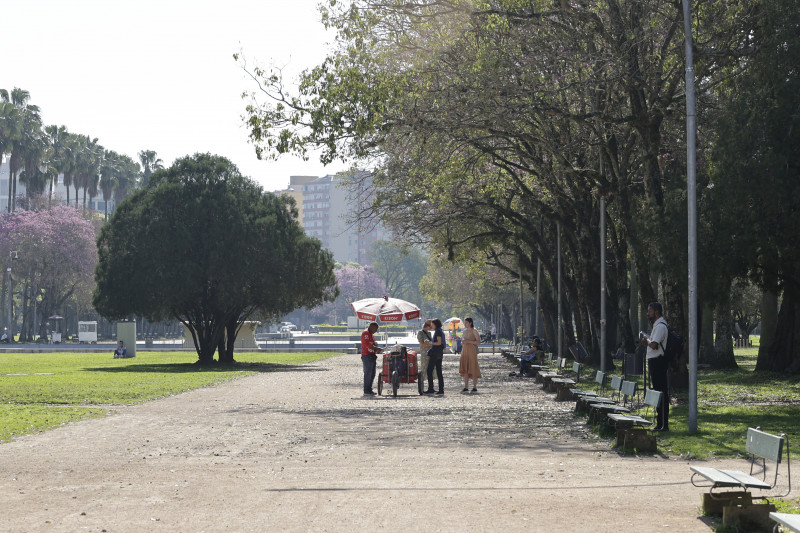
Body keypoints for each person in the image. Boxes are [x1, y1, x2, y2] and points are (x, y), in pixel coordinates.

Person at [641, 301, 670, 431]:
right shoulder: (656, 325)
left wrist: (646, 340)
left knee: (661, 392)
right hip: (655, 361)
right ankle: (660, 423)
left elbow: (654, 345)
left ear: (656, 312)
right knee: (659, 392)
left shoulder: (660, 327)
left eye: (650, 311)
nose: (648, 314)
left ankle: (663, 424)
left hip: (658, 362)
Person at [459, 317, 482, 393]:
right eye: (464, 323)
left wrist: (468, 341)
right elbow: (463, 341)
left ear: (470, 323)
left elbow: (478, 342)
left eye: (466, 323)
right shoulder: (464, 332)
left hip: (472, 351)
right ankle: (466, 386)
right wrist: (463, 342)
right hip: (465, 351)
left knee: (473, 367)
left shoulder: (474, 331)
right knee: (465, 368)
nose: (465, 324)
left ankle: (474, 387)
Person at [361, 322, 382, 396]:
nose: (376, 331)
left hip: (372, 355)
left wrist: (376, 347)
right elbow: (367, 345)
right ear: (371, 327)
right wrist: (376, 348)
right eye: (375, 329)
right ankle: (366, 390)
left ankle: (369, 389)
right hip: (367, 355)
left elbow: (372, 344)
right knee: (368, 373)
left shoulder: (371, 335)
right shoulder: (366, 333)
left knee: (372, 374)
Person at [425, 318, 445, 395]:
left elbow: (439, 342)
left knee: (429, 370)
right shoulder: (440, 330)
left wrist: (431, 343)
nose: (431, 326)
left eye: (432, 324)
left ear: (435, 324)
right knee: (439, 371)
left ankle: (431, 388)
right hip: (439, 353)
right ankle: (440, 389)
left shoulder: (438, 332)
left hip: (435, 353)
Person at [416, 320, 433, 391]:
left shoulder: (429, 333)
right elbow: (422, 344)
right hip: (424, 354)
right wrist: (430, 343)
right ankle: (422, 386)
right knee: (424, 369)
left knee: (430, 370)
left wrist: (430, 343)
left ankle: (430, 386)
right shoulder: (420, 333)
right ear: (427, 326)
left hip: (430, 353)